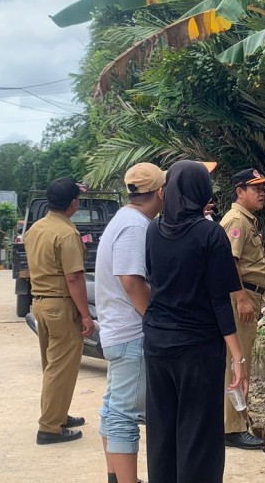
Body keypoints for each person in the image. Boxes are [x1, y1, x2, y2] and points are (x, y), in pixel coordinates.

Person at [143, 161, 247, 483]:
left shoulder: (152, 230)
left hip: (158, 344)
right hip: (198, 350)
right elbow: (219, 301)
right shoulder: (209, 234)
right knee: (199, 434)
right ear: (203, 191)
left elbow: (151, 279)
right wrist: (238, 357)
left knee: (162, 430)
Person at [95, 163, 164, 483]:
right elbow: (132, 280)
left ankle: (115, 476)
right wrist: (153, 320)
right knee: (124, 415)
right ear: (161, 192)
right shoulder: (136, 226)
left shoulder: (124, 219)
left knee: (113, 409)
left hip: (117, 331)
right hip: (131, 332)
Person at [24, 177, 94, 445]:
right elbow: (74, 278)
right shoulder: (66, 234)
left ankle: (57, 414)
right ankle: (50, 427)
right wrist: (86, 315)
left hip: (40, 302)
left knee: (52, 366)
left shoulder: (36, 229)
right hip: (61, 304)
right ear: (73, 203)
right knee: (61, 368)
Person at [218, 168, 265, 450]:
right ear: (239, 191)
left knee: (240, 360)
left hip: (248, 294)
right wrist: (241, 299)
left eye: (263, 188)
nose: (261, 193)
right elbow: (229, 264)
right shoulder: (237, 221)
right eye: (255, 188)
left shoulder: (246, 220)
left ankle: (235, 421)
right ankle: (232, 427)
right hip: (242, 296)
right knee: (237, 362)